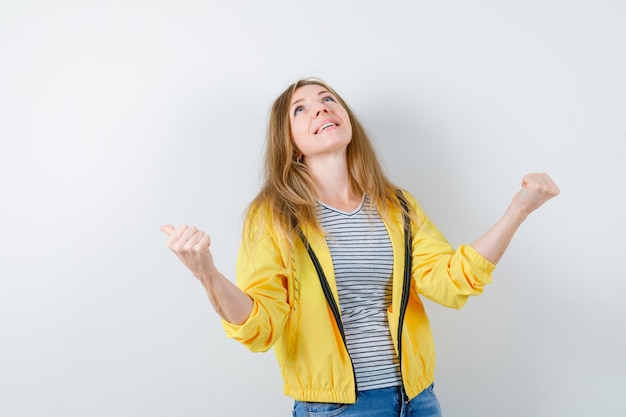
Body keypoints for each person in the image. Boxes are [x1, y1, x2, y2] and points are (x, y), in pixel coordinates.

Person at [160, 78, 560, 417]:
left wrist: (517, 212)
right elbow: (261, 326)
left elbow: (449, 282)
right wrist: (207, 274)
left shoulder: (397, 205)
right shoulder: (273, 215)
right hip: (336, 408)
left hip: (417, 399)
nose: (320, 109)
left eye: (328, 100)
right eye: (300, 109)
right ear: (290, 144)